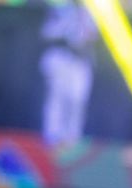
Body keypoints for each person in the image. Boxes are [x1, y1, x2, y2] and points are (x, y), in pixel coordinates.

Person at [40, 0, 97, 147]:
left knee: (77, 100)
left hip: (80, 60)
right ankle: (52, 135)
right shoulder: (61, 8)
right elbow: (48, 32)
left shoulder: (93, 12)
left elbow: (93, 35)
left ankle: (72, 137)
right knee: (57, 97)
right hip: (60, 57)